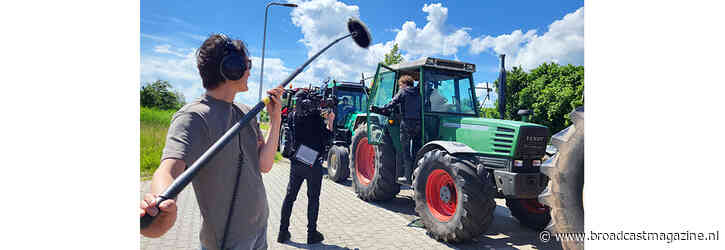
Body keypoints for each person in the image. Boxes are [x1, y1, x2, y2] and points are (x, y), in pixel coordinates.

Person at [140, 34, 284, 250]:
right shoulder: (194, 116)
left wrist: (275, 120)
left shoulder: (246, 112)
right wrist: (161, 203)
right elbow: (168, 169)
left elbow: (264, 165)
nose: (250, 71)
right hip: (227, 241)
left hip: (258, 230)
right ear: (231, 68)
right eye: (247, 65)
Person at [278, 90, 335, 244]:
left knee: (290, 196)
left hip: (297, 158)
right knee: (313, 198)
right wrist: (330, 121)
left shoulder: (292, 116)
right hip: (312, 160)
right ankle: (311, 234)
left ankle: (282, 233)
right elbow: (328, 139)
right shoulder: (315, 117)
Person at [371, 75, 421, 183]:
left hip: (406, 124)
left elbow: (392, 104)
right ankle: (418, 174)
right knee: (417, 150)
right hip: (418, 124)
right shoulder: (418, 93)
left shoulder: (403, 92)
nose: (399, 87)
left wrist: (380, 109)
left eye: (399, 85)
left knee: (405, 151)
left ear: (403, 84)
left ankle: (407, 177)